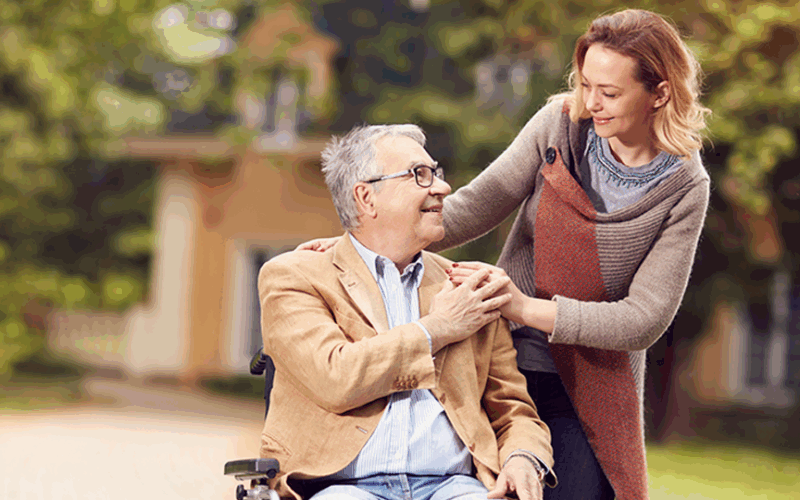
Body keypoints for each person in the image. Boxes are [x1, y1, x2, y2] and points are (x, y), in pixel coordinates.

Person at [298, 9, 711, 500]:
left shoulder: (685, 187)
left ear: (659, 93)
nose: (590, 103)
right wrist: (362, 242)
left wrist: (521, 306)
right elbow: (476, 204)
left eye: (610, 93)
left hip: (592, 377)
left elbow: (643, 320)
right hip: (503, 358)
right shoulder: (562, 125)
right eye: (585, 85)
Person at [258, 123, 556, 500]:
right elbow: (335, 378)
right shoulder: (294, 276)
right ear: (366, 198)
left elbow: (513, 410)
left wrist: (522, 458)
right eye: (420, 175)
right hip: (344, 488)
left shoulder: (468, 286)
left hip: (455, 486)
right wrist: (437, 328)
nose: (443, 188)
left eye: (437, 173)